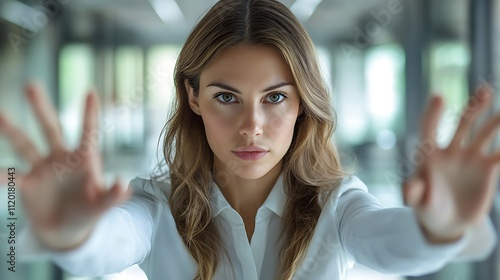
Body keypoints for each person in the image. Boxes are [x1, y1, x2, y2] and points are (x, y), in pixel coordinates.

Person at [0, 0, 499, 279]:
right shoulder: (155, 206)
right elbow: (110, 241)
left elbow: (388, 241)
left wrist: (439, 229)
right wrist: (73, 234)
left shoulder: (340, 205)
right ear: (192, 97)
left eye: (276, 98)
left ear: (303, 102)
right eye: (225, 97)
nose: (251, 125)